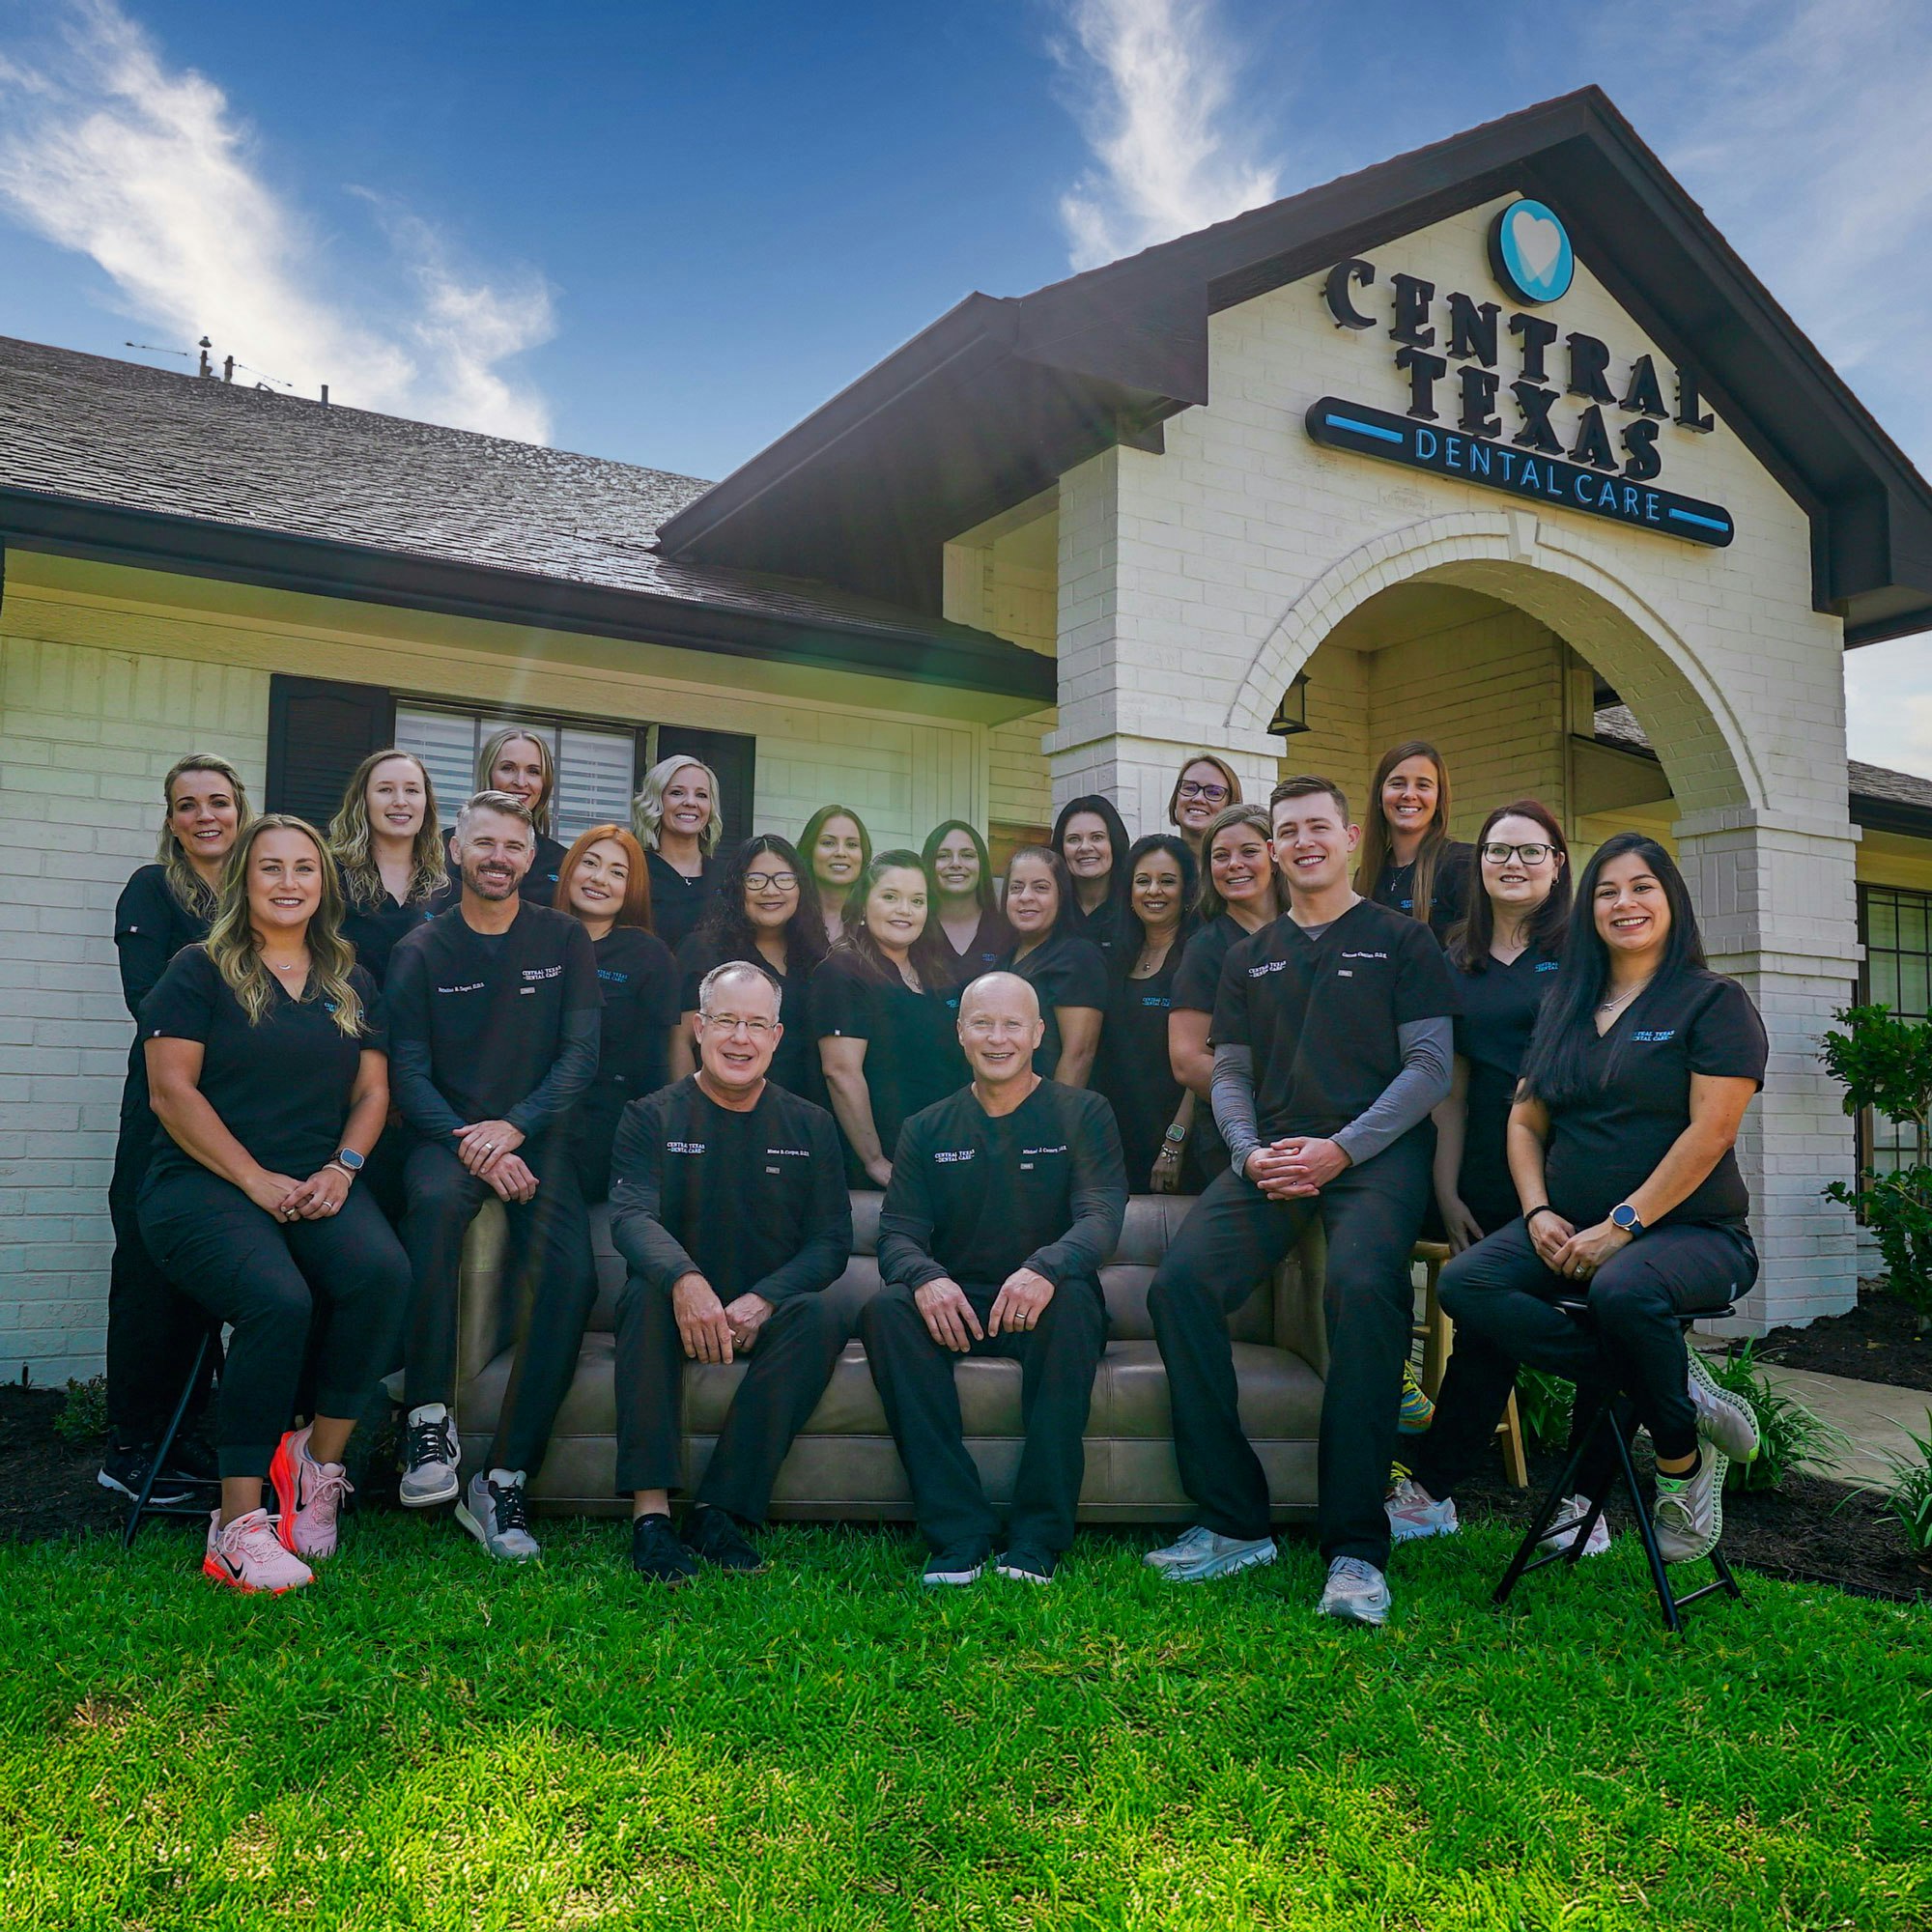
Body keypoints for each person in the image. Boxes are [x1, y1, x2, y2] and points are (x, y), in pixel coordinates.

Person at [1387, 833, 1765, 1570]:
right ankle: (1672, 1385)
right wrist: (1536, 1211)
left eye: (1641, 888)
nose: (1624, 903)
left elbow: (1712, 1131)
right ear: (1589, 909)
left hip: (1694, 1233)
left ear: (1671, 901)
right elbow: (1525, 1119)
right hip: (1567, 1226)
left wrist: (1623, 1224)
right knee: (1471, 1283)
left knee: (1622, 1292)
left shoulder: (1712, 1002)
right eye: (1607, 892)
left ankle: (1682, 1468)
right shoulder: (1569, 1003)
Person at [1144, 777, 1459, 1628]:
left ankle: (1355, 1548)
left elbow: (1429, 1069)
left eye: (1319, 827)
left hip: (1373, 1157)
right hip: (1274, 1157)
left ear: (1350, 837)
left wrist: (1341, 1148)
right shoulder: (1251, 955)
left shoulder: (1402, 941)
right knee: (1178, 1289)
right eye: (1288, 831)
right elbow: (1234, 1071)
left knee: (1362, 1290)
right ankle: (1235, 1520)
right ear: (1274, 848)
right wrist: (1247, 1153)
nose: (1303, 841)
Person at [137, 814, 409, 1594]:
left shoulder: (349, 980)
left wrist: (344, 1169)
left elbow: (373, 1089)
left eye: (303, 869)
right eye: (271, 869)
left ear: (324, 883)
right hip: (203, 1185)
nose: (289, 883)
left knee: (383, 1275)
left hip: (314, 1179)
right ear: (244, 884)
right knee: (277, 1303)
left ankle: (315, 1466)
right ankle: (236, 1527)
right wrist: (254, 1179)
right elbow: (170, 1092)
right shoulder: (199, 970)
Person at [386, 790, 602, 1560]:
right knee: (435, 1211)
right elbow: (406, 1073)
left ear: (532, 857)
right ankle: (426, 1423)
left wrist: (515, 1129)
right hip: (443, 1139)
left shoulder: (564, 938)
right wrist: (472, 1143)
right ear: (455, 849)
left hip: (537, 1137)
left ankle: (503, 1475)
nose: (499, 858)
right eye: (484, 843)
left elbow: (581, 1057)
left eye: (513, 846)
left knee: (573, 1278)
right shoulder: (420, 949)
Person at [861, 972, 1127, 1585]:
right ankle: (959, 1533)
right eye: (983, 1023)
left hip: (1046, 1301)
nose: (997, 1037)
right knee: (885, 1312)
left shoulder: (1083, 1113)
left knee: (1076, 1305)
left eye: (1013, 1025)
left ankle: (1036, 1539)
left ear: (1038, 1034)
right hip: (956, 1305)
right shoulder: (925, 1128)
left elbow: (1101, 1217)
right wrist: (926, 1279)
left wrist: (1045, 1268)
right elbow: (897, 1233)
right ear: (961, 1034)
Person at [610, 961, 853, 1581]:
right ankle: (652, 1517)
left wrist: (762, 1300)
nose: (739, 1038)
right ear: (698, 1027)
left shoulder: (811, 1124)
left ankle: (719, 1510)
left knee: (823, 1312)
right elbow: (632, 1218)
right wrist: (687, 1284)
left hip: (762, 1313)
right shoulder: (649, 1116)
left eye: (755, 1024)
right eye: (725, 1021)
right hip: (675, 1305)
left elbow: (831, 1243)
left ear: (776, 1036)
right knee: (642, 1293)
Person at [100, 753, 251, 1505]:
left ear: (240, 809)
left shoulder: (260, 894)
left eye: (217, 801)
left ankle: (185, 1437)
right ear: (170, 820)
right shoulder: (152, 890)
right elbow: (146, 999)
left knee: (204, 1273)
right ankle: (132, 1447)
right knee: (148, 1276)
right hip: (163, 1109)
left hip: (240, 1113)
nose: (205, 816)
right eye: (187, 805)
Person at [1434, 802, 1572, 1252]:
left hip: (1573, 1160)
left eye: (1531, 852)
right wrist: (1447, 1192)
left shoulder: (1587, 957)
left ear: (1557, 864)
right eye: (1498, 851)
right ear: (1480, 865)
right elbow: (1450, 1093)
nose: (1513, 863)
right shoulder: (1451, 965)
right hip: (1485, 1169)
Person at [815, 850, 964, 1187]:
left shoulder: (935, 972)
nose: (904, 910)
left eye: (917, 900)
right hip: (881, 1166)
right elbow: (840, 1072)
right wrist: (874, 1161)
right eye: (890, 897)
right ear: (864, 905)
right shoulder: (842, 971)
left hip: (938, 1157)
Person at [554, 823, 679, 1204]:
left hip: (602, 1125)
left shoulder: (649, 956)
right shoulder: (532, 936)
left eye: (617, 872)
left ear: (632, 888)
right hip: (529, 1117)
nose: (599, 879)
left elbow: (656, 1070)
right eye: (589, 863)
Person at [1168, 804, 1283, 1190]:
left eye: (1248, 852)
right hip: (1235, 1141)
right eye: (1220, 856)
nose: (1234, 864)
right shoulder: (1206, 948)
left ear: (1275, 854)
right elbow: (1187, 1061)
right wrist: (1273, 1101)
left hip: (1319, 1137)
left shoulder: (1309, 933)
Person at [670, 834, 826, 1099]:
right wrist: (688, 1113)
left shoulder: (816, 955)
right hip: (721, 1109)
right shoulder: (704, 950)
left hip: (801, 1116)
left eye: (784, 879)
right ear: (737, 888)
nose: (770, 890)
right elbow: (679, 1041)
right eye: (755, 880)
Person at [1094, 835, 1203, 1193]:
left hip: (1173, 1142)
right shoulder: (1115, 956)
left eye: (1167, 881)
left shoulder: (1198, 956)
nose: (1153, 891)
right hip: (1115, 1137)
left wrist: (1176, 1141)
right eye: (1143, 881)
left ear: (1187, 891)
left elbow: (1204, 1061)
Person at [329, 749, 454, 986]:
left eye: (412, 790)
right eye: (385, 789)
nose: (400, 801)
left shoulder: (448, 888)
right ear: (363, 800)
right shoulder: (330, 877)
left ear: (426, 803)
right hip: (348, 1019)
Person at [999, 846, 1108, 1087]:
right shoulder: (1003, 959)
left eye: (1040, 887)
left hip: (1048, 1112)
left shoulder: (1078, 958)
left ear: (1061, 896)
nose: (1025, 896)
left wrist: (1056, 1119)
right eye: (1016, 887)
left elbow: (1079, 1055)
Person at [1354, 740, 1472, 943]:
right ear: (1379, 797)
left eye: (1423, 785)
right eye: (1397, 783)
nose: (1409, 794)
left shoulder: (1463, 865)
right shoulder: (1366, 877)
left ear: (1438, 799)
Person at [633, 754, 722, 952]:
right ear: (656, 801)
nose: (691, 802)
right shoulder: (633, 870)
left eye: (701, 795)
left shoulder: (727, 877)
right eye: (677, 792)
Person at [473, 725, 568, 906]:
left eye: (533, 771)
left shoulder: (562, 863)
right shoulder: (444, 850)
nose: (521, 782)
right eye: (508, 768)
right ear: (488, 773)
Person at [923, 819, 1010, 980]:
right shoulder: (915, 930)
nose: (956, 863)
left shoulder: (1008, 931)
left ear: (981, 864)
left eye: (967, 855)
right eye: (943, 856)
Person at [1050, 794, 1133, 962]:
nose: (1085, 847)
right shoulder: (1050, 909)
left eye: (1097, 837)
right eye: (1074, 839)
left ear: (1114, 842)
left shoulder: (1134, 907)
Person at [802, 804, 871, 949]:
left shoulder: (876, 920)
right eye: (828, 843)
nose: (841, 852)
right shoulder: (789, 916)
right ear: (810, 850)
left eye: (852, 844)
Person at [1167, 753, 1243, 861]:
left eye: (1213, 792)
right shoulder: (1153, 865)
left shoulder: (1239, 870)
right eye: (1189, 788)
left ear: (1231, 805)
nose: (1198, 798)